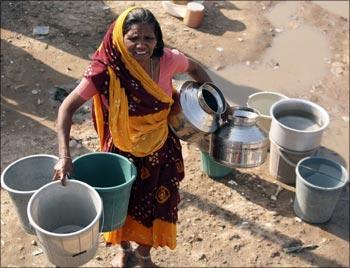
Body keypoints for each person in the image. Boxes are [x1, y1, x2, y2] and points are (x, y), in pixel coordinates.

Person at [53, 6, 212, 268]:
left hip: (162, 149)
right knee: (120, 208)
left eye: (148, 39)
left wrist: (213, 101)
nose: (141, 45)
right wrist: (63, 157)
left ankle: (144, 254)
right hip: (121, 151)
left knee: (159, 205)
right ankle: (125, 250)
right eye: (134, 38)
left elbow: (196, 69)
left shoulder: (168, 60)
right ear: (119, 38)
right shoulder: (105, 70)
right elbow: (66, 108)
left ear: (157, 40)